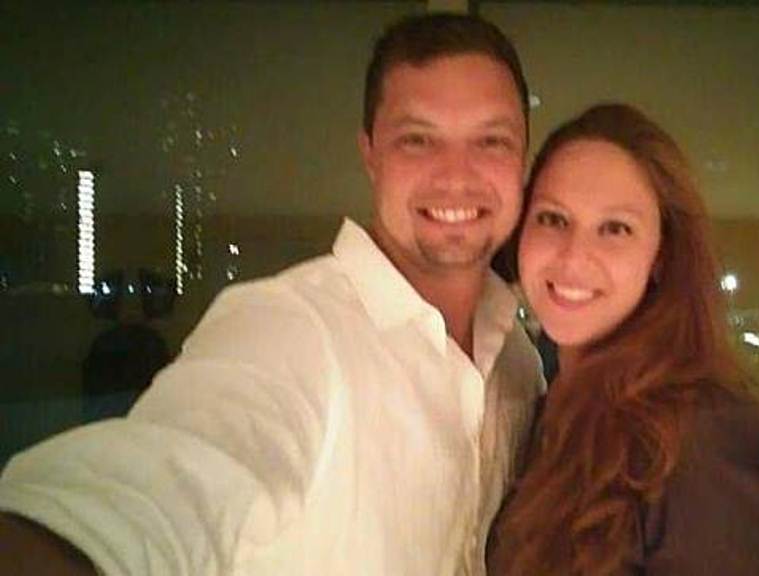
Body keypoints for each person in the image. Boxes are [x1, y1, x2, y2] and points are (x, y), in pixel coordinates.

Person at [0, 12, 544, 575]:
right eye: (418, 140)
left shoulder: (517, 364)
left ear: (522, 161)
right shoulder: (289, 328)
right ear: (370, 155)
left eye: (491, 141)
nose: (456, 176)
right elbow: (149, 491)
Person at [487, 104, 759, 575]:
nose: (573, 257)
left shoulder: (696, 434)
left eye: (615, 228)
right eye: (553, 219)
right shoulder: (549, 400)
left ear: (661, 255)